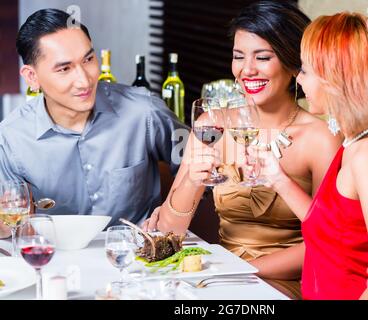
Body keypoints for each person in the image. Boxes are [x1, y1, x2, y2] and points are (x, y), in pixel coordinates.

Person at [142, 1, 342, 299]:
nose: (247, 70)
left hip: (283, 283)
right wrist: (191, 181)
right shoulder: (213, 124)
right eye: (239, 57)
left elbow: (331, 241)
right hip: (217, 279)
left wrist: (238, 269)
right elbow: (170, 235)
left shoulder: (320, 138)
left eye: (262, 57)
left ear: (291, 63)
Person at [253, 12, 368, 299]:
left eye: (305, 70)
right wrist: (277, 179)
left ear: (334, 80)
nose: (299, 81)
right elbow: (333, 230)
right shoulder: (357, 140)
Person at [0, 8, 188, 238]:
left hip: (139, 261)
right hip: (55, 263)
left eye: (88, 59)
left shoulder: (143, 112)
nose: (84, 80)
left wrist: (171, 209)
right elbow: (9, 225)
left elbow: (199, 167)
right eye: (65, 68)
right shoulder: (12, 138)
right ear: (32, 77)